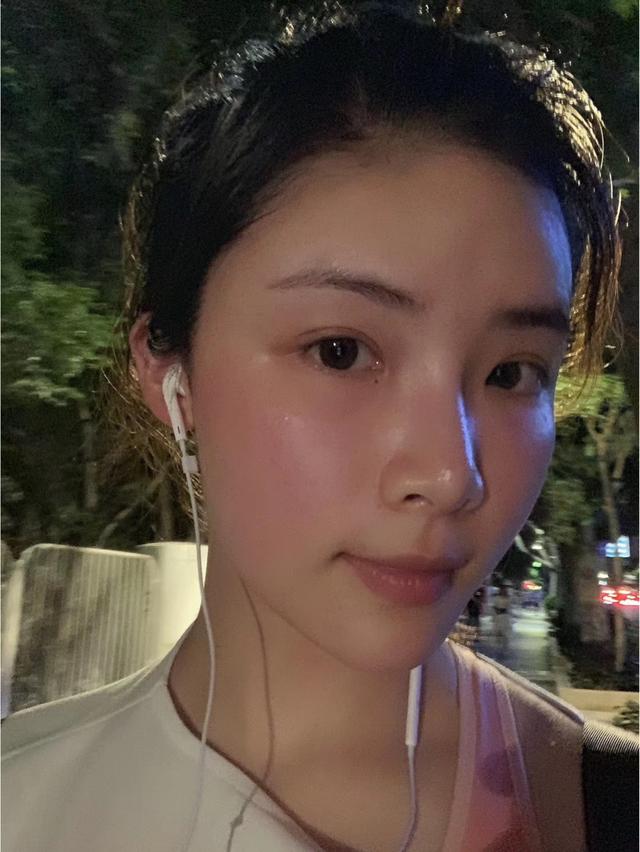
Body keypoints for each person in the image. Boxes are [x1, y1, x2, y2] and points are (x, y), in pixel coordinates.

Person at [2, 3, 637, 852]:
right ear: (170, 373)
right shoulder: (25, 806)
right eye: (341, 352)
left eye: (511, 373)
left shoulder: (607, 805)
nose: (451, 474)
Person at [492, 582, 512, 660]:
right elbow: (494, 607)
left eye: (505, 589)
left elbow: (508, 608)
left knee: (505, 635)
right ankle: (497, 650)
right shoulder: (497, 598)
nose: (504, 590)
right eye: (502, 589)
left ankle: (505, 650)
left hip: (505, 617)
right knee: (497, 634)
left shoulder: (508, 598)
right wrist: (494, 617)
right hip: (498, 617)